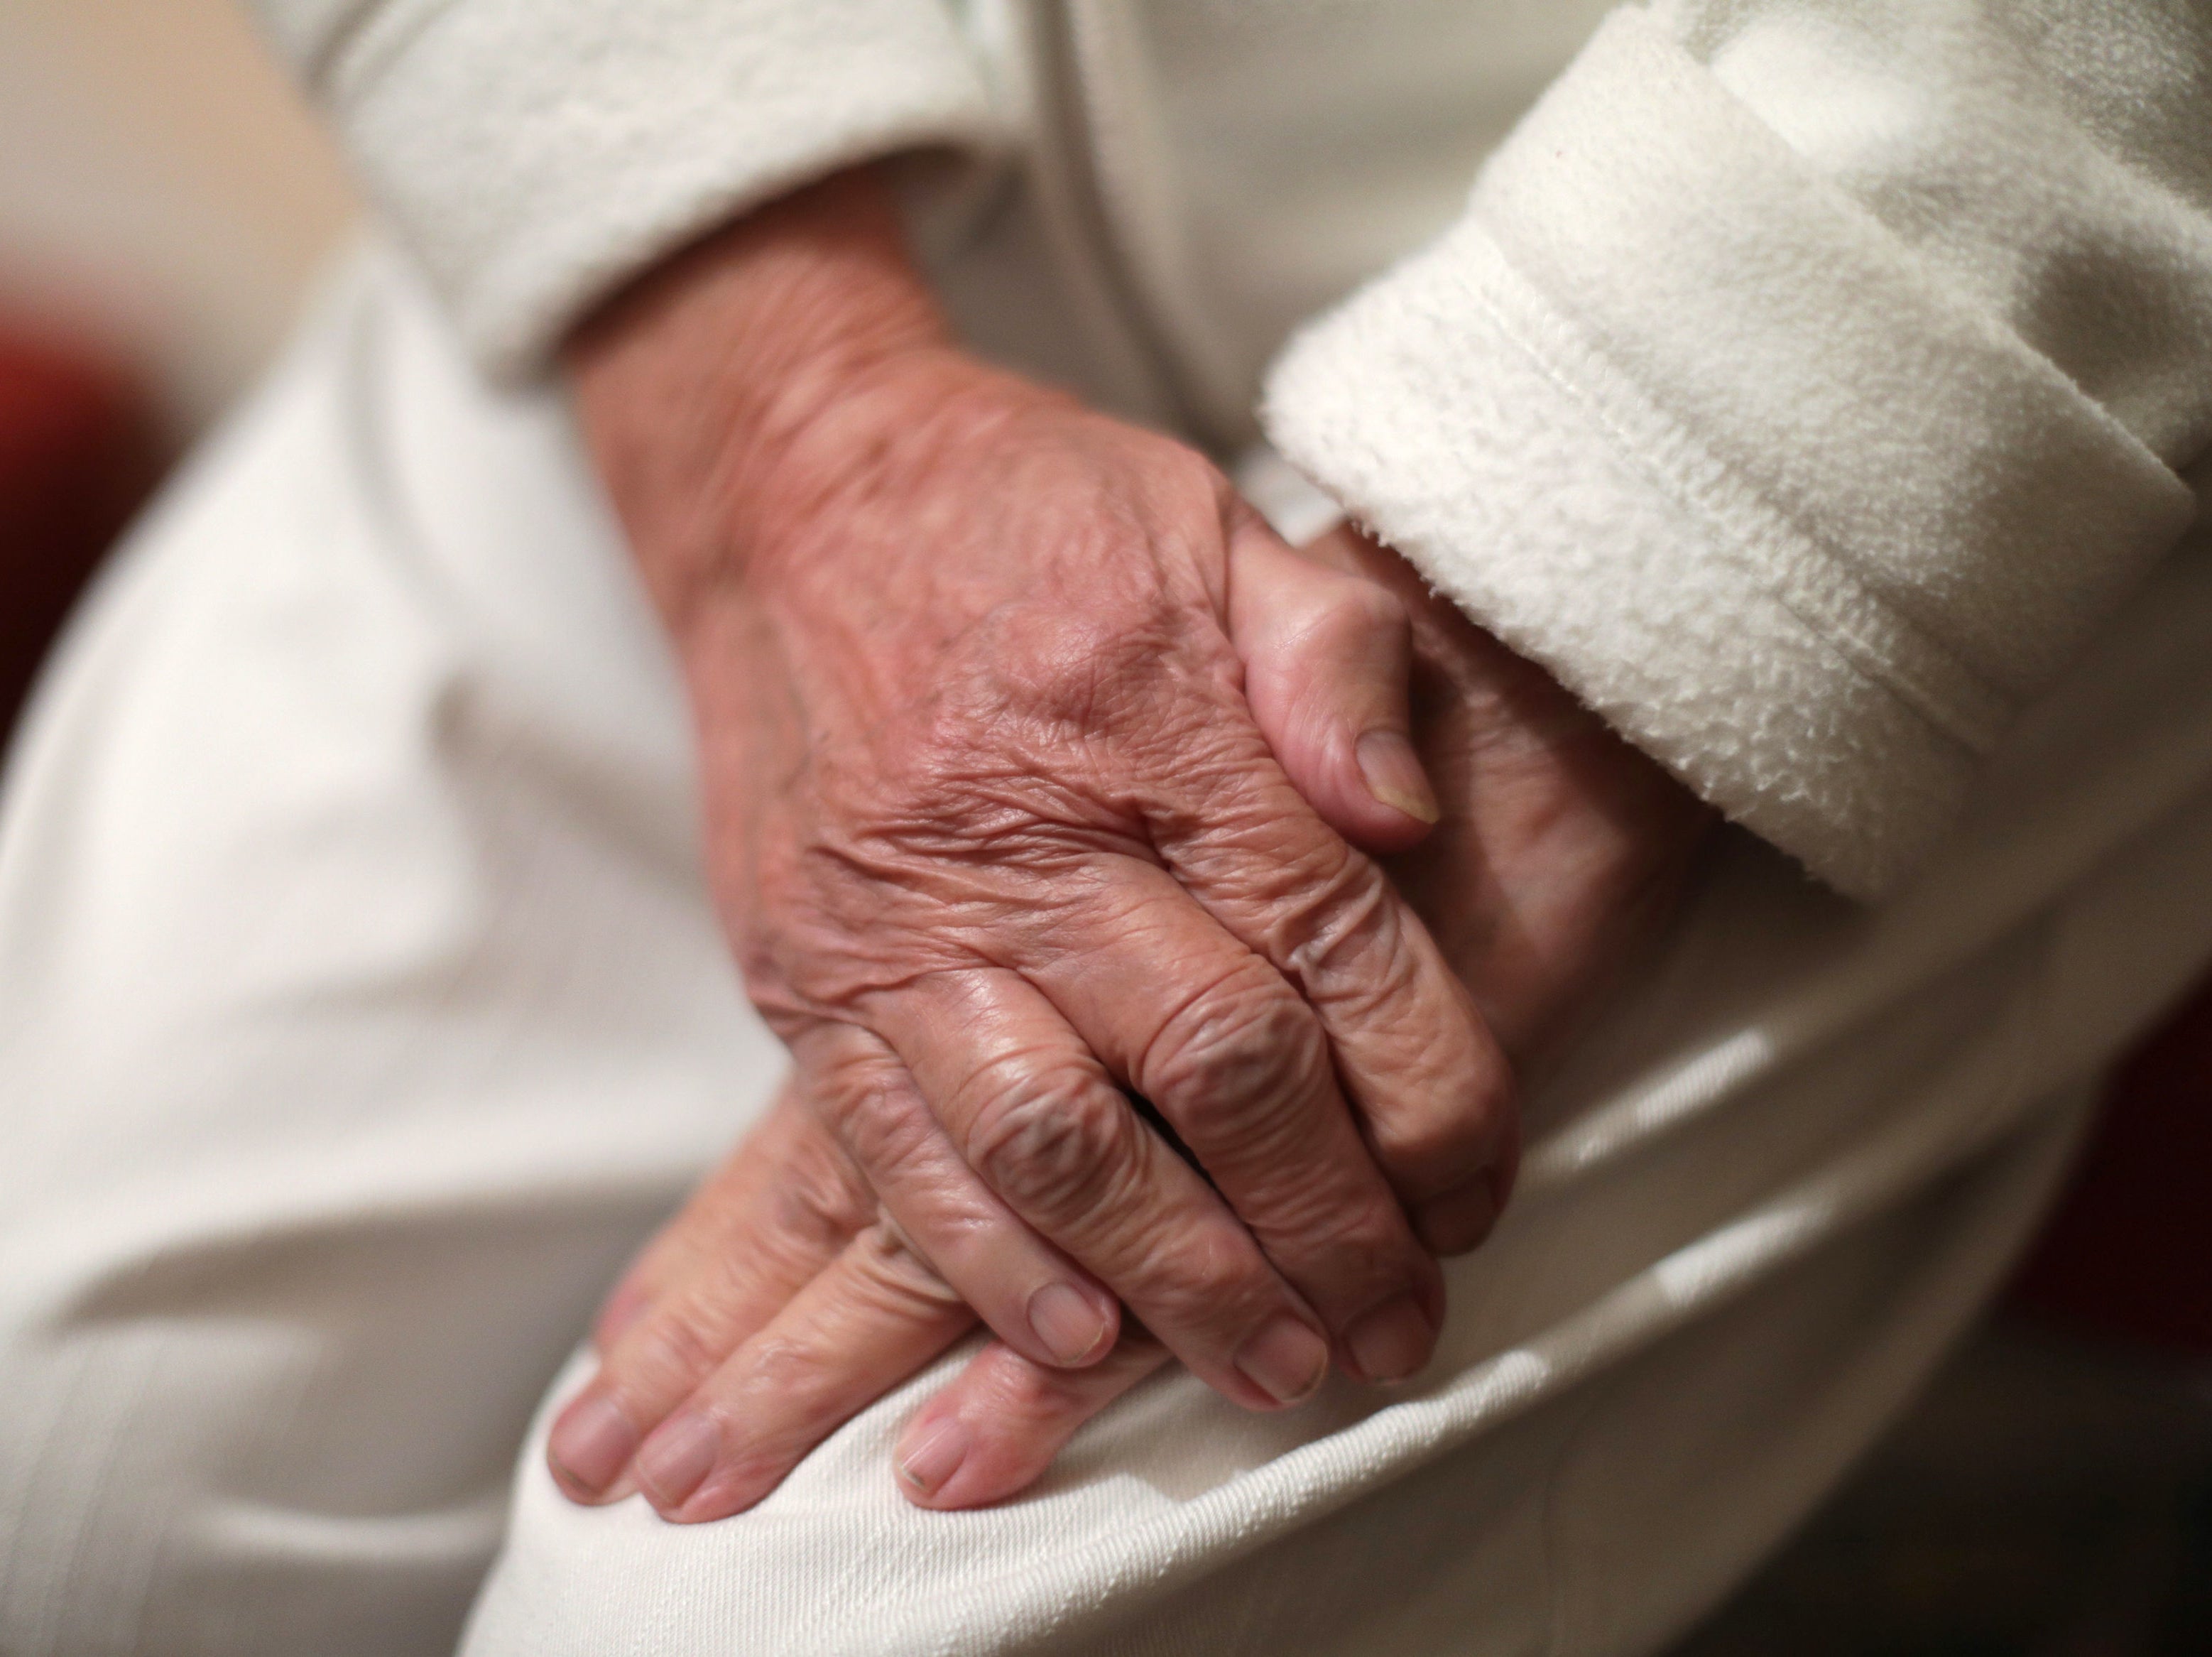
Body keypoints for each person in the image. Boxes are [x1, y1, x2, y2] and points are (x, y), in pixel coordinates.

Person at [3, 4, 2211, 1654]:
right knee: (84, 1502)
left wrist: (1662, 544)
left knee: (771, 1620)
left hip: (1806, 231)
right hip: (733, 132)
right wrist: (774, 414)